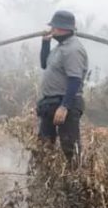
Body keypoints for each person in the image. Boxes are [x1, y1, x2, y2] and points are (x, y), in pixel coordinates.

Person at [37, 10, 88, 164]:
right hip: (51, 103)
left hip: (66, 104)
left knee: (69, 148)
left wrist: (64, 107)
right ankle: (46, 180)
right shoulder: (59, 47)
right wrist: (45, 42)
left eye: (55, 28)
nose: (52, 30)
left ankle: (74, 182)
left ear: (65, 29)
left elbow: (74, 80)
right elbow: (44, 64)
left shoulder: (73, 49)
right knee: (44, 146)